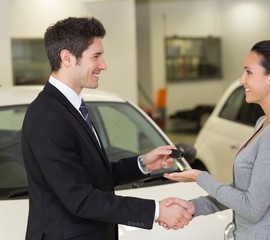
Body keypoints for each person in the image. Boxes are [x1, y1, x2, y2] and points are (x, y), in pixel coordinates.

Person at [21, 16, 193, 240]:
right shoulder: (48, 117)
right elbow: (80, 198)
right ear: (67, 58)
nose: (104, 65)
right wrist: (157, 211)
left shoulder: (69, 108)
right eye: (96, 56)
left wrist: (143, 163)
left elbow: (93, 176)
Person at [162, 40, 270, 239]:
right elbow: (242, 192)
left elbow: (252, 208)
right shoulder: (264, 123)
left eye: (249, 72)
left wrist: (199, 177)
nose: (241, 80)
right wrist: (194, 206)